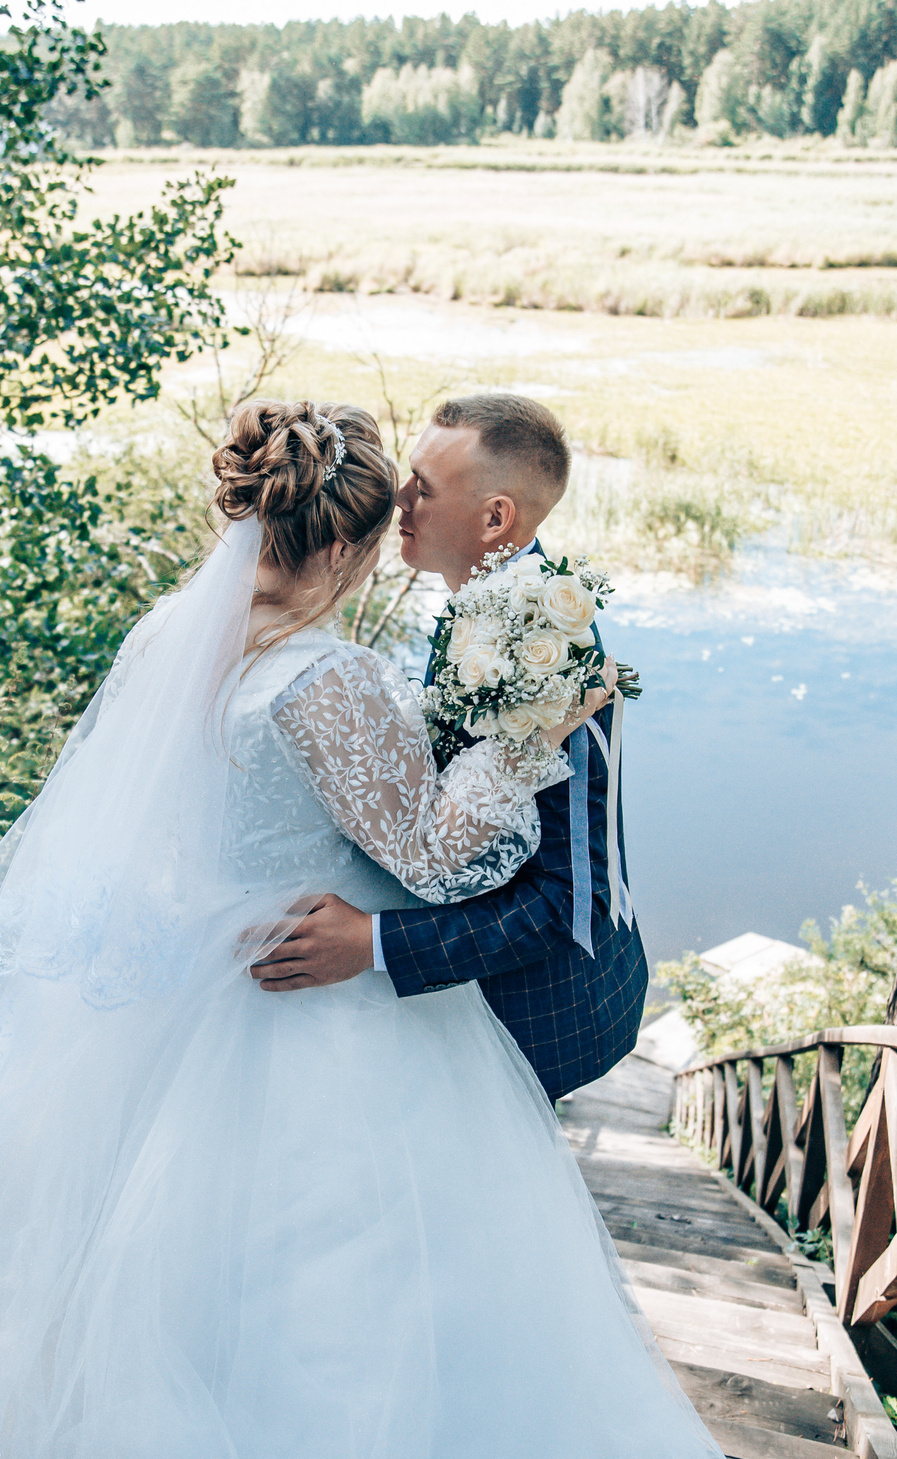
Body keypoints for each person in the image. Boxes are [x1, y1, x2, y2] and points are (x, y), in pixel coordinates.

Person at [0, 401, 800, 1459]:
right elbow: (446, 854)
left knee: (188, 1282)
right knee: (361, 1295)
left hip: (206, 1006)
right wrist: (526, 744)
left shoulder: (190, 642)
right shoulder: (327, 676)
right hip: (325, 1023)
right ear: (362, 539)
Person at [247, 394, 647, 1104]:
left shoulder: (542, 646)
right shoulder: (478, 603)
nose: (397, 497)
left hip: (536, 1011)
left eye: (423, 486)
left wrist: (373, 942)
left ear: (496, 519)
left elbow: (566, 901)